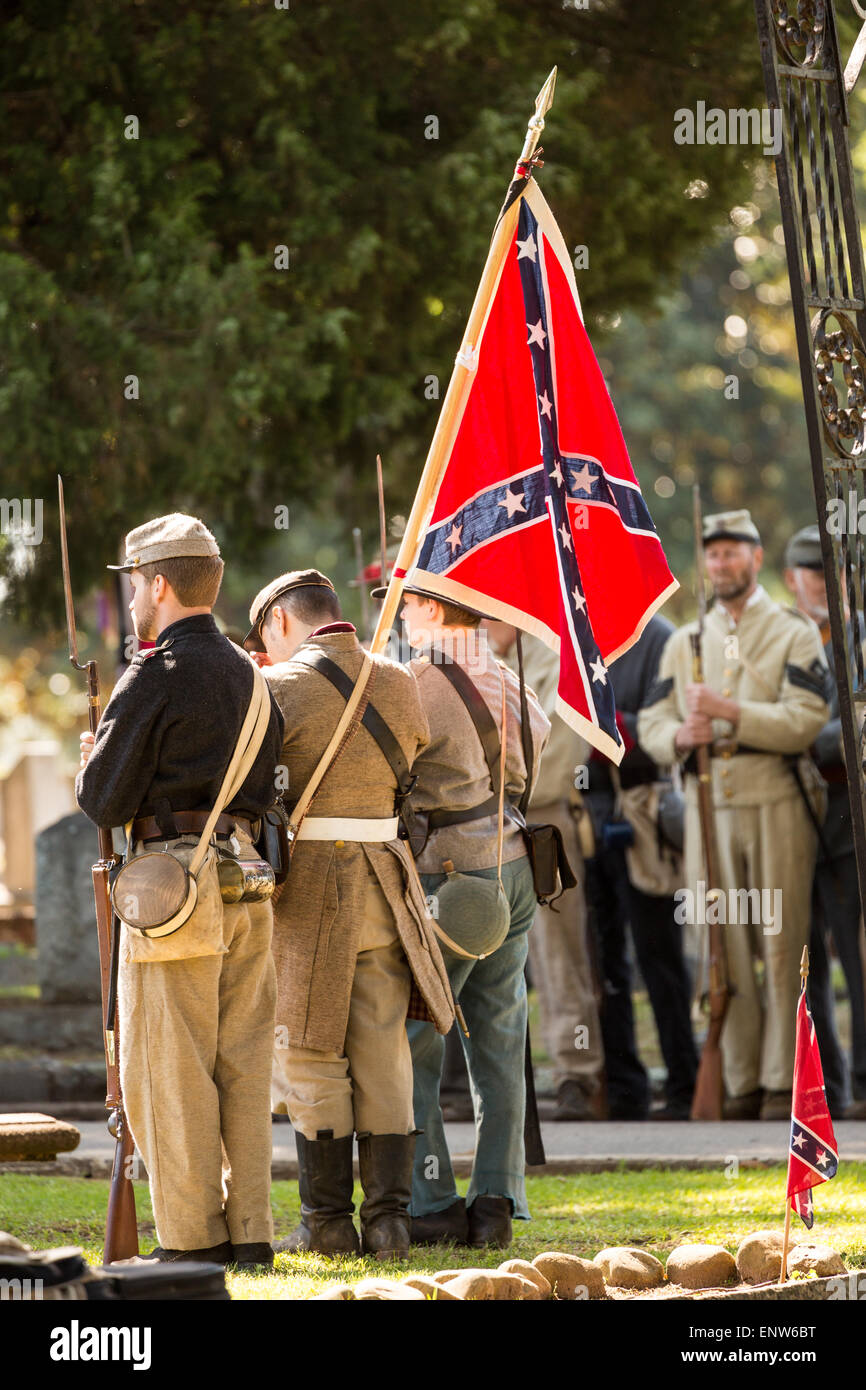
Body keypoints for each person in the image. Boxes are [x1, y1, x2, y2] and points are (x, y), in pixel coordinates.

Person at [76, 514, 285, 1269]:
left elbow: (103, 801)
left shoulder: (154, 673)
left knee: (169, 1068)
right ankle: (252, 1232)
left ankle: (194, 1239)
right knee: (242, 1065)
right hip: (247, 883)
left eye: (134, 583)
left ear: (158, 584)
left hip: (172, 894)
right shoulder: (249, 671)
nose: (132, 598)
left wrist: (90, 757)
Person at [245, 570, 454, 1260]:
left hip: (311, 890)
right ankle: (390, 1222)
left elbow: (253, 776)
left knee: (309, 1053)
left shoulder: (275, 689)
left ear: (279, 623)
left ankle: (329, 1222)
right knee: (383, 1050)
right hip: (385, 884)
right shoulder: (398, 680)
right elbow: (413, 756)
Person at [639, 509, 830, 1120]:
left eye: (733, 552)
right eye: (713, 554)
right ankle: (739, 1080)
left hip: (774, 797)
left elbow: (806, 720)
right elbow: (651, 722)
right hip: (706, 805)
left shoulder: (794, 632)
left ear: (756, 557)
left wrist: (731, 711)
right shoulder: (686, 640)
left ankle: (780, 1084)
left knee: (780, 945)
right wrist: (679, 735)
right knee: (719, 945)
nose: (721, 563)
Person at [396, 586, 549, 1248]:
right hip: (515, 861)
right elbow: (537, 747)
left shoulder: (416, 681)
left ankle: (431, 1203)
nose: (399, 614)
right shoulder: (512, 677)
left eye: (405, 604)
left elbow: (387, 769)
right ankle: (495, 1201)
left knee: (412, 1041)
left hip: (452, 877)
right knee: (500, 1042)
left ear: (433, 609)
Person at [485, 621, 604, 1122]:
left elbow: (561, 749)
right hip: (482, 821)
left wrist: (489, 777)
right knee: (486, 956)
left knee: (559, 957)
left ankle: (577, 1074)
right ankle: (498, 1080)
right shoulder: (471, 655)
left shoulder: (557, 650)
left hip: (541, 817)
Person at [587, 615, 698, 1122]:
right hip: (587, 813)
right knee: (605, 962)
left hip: (644, 810)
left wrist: (607, 727)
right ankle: (626, 1090)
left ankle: (684, 1083)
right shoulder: (579, 626)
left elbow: (662, 726)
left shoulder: (660, 638)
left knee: (659, 957)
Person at [783, 524, 866, 1119]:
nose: (821, 582)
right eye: (810, 572)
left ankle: (862, 1081)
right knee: (798, 959)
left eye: (828, 571)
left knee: (857, 958)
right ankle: (822, 1089)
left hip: (845, 820)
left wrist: (797, 731)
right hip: (785, 816)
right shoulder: (780, 637)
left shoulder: (859, 638)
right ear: (791, 580)